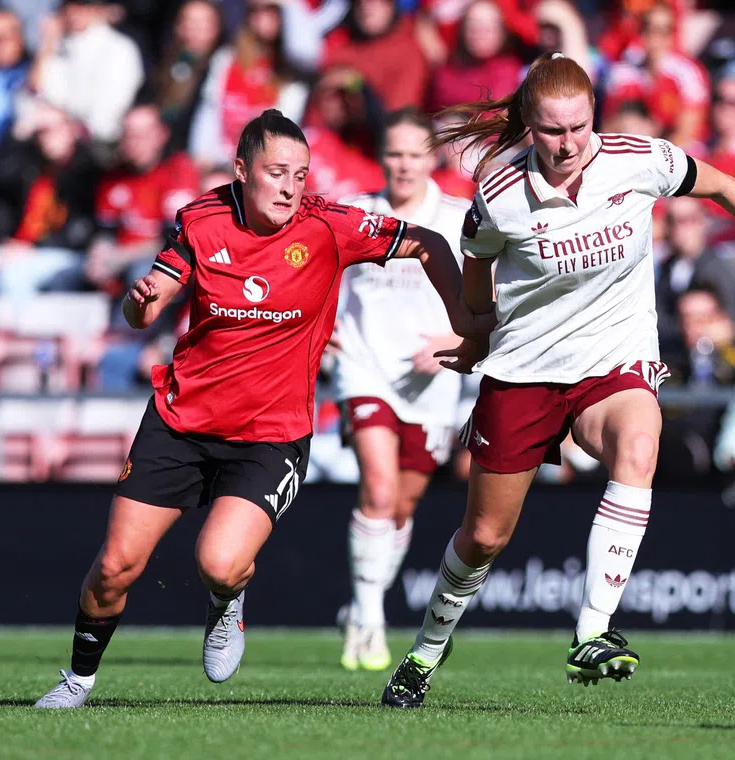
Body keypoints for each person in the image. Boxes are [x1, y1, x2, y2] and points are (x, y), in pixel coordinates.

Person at [379, 53, 735, 709]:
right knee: (484, 536)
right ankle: (427, 650)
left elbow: (723, 187)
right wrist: (478, 335)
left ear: (593, 115)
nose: (567, 144)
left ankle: (593, 632)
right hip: (526, 370)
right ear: (529, 126)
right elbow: (477, 269)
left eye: (578, 126)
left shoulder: (639, 159)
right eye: (551, 131)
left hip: (613, 362)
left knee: (640, 446)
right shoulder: (500, 194)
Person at [32, 109, 486, 708]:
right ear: (242, 171)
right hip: (180, 423)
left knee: (219, 563)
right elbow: (150, 301)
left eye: (300, 174)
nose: (291, 186)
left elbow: (425, 243)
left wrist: (465, 331)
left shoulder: (330, 225)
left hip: (271, 435)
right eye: (277, 173)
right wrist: (140, 305)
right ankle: (77, 681)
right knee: (116, 567)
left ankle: (227, 604)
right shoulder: (202, 219)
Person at [333, 108, 469, 672]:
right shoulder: (359, 215)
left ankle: (364, 605)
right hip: (365, 368)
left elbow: (497, 297)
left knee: (403, 506)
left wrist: (455, 337)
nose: (404, 165)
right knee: (380, 490)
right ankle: (370, 618)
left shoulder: (460, 218)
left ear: (433, 157)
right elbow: (319, 275)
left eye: (415, 153)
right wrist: (322, 334)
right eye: (394, 153)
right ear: (381, 157)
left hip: (433, 380)